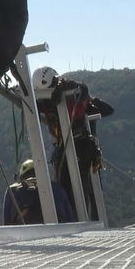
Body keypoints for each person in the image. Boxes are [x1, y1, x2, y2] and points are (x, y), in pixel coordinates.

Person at [31, 67, 114, 221]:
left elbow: (106, 109)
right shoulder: (48, 101)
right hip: (67, 150)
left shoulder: (75, 96)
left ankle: (89, 223)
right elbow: (33, 104)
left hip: (81, 150)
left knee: (85, 189)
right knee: (69, 190)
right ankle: (75, 221)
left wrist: (88, 97)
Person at [3, 159, 75, 225]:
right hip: (58, 228)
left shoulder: (12, 190)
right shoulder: (57, 188)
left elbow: (7, 221)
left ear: (22, 176)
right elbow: (69, 217)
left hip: (25, 232)